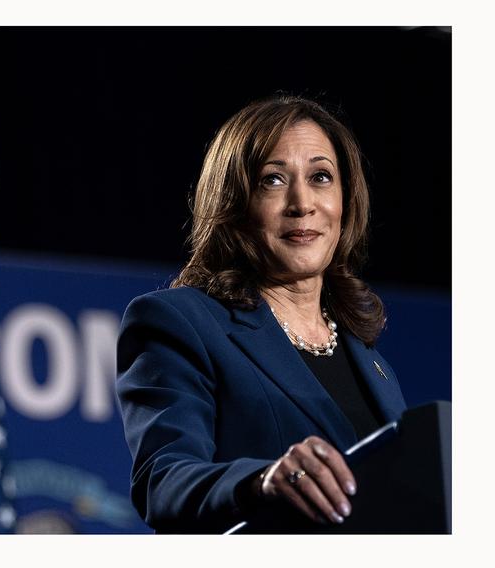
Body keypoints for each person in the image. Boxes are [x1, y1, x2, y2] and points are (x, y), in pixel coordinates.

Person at [115, 95, 408, 534]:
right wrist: (261, 481)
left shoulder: (371, 362)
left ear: (346, 203)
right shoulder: (178, 322)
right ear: (234, 203)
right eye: (272, 180)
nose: (302, 203)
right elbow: (165, 480)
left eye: (321, 177)